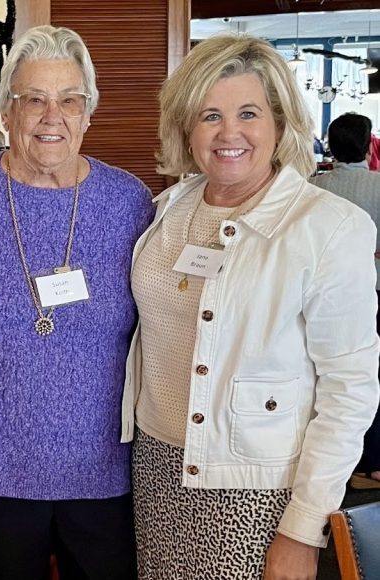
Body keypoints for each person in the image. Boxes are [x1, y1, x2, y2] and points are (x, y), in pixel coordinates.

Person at [125, 34, 380, 580]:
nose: (229, 133)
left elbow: (350, 390)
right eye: (209, 115)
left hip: (259, 490)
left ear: (280, 124)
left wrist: (304, 528)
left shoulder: (329, 227)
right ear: (186, 127)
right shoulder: (164, 210)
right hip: (156, 470)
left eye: (248, 113)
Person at [0, 25, 153, 580]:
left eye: (70, 100)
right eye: (34, 99)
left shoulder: (128, 201)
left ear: (88, 113)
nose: (52, 116)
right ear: (7, 112)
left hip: (102, 467)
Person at [310, 112, 380, 491]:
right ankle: (374, 465)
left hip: (322, 296)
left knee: (329, 379)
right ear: (369, 145)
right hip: (376, 290)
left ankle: (345, 466)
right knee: (366, 376)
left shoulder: (313, 186)